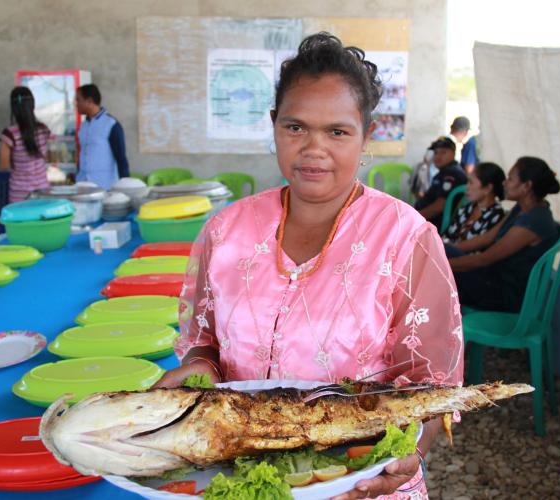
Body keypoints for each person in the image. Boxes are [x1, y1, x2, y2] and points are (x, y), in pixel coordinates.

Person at [152, 33, 463, 499]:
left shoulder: (404, 237)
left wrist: (407, 454)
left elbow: (434, 387)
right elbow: (205, 346)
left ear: (366, 136)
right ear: (274, 124)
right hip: (244, 474)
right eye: (296, 127)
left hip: (360, 479)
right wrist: (200, 368)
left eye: (337, 131)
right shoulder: (226, 232)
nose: (314, 148)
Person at [446, 157, 560, 312]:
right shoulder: (522, 209)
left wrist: (441, 265)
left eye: (510, 179)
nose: (504, 183)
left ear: (526, 186)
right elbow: (487, 238)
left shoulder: (533, 222)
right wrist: (444, 250)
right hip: (492, 279)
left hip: (503, 295)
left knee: (438, 277)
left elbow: (483, 259)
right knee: (444, 250)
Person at [0, 87, 52, 202]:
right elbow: (47, 157)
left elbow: (4, 165)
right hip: (43, 192)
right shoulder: (43, 129)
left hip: (19, 195)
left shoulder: (9, 134)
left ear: (14, 108)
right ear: (32, 105)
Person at [75, 84, 129, 189]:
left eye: (78, 100)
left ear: (89, 101)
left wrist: (125, 188)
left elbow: (121, 159)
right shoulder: (84, 125)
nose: (76, 104)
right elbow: (81, 154)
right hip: (82, 185)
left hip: (105, 187)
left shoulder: (111, 124)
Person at [443, 162, 506, 243]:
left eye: (471, 182)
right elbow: (446, 236)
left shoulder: (496, 216)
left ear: (488, 188)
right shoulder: (465, 209)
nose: (467, 187)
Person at [413, 136, 467, 230]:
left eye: (443, 152)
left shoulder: (452, 174)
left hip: (432, 225)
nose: (438, 156)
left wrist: (415, 217)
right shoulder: (445, 171)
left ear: (453, 153)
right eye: (436, 153)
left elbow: (439, 206)